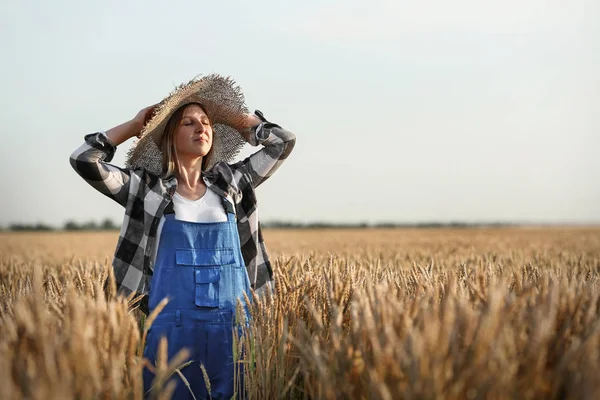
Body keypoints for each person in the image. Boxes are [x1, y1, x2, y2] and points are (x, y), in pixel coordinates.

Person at [69, 74, 296, 399]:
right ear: (169, 136)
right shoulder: (146, 189)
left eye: (206, 122)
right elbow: (84, 159)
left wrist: (234, 118)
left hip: (234, 331)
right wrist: (136, 126)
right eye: (188, 122)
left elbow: (283, 142)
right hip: (170, 335)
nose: (201, 127)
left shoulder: (232, 184)